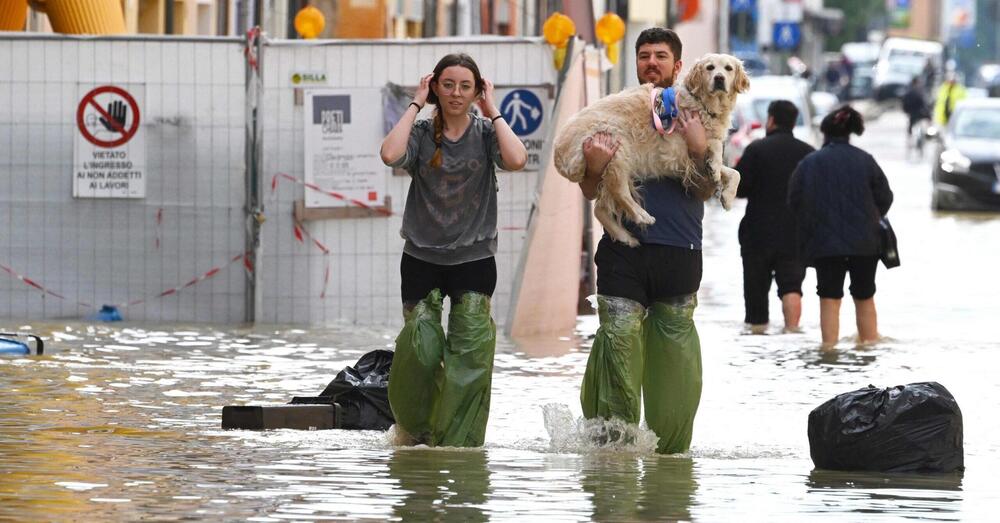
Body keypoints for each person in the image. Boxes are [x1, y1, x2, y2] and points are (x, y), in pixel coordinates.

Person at [576, 27, 716, 454]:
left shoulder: (700, 116)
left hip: (680, 254)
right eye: (643, 56)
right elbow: (587, 189)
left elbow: (707, 190)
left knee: (673, 366)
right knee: (617, 344)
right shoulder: (616, 113)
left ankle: (670, 464)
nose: (651, 63)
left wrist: (697, 149)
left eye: (660, 56)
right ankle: (613, 456)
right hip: (623, 253)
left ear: (678, 66)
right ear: (635, 64)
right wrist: (596, 166)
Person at [379, 53, 528, 447]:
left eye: (465, 86)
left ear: (476, 90)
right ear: (435, 88)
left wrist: (493, 108)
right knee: (420, 352)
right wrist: (415, 102)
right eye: (447, 85)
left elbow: (516, 159)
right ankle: (417, 433)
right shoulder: (423, 133)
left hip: (474, 260)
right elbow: (390, 154)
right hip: (421, 258)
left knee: (470, 357)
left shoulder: (484, 132)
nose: (456, 93)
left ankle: (458, 446)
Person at [788, 105, 893, 347]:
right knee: (864, 295)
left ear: (825, 133)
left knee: (829, 296)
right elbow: (885, 198)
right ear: (850, 133)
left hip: (824, 244)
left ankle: (829, 350)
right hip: (866, 243)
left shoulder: (809, 163)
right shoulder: (865, 160)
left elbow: (794, 201)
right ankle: (868, 346)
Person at [734, 100, 815, 334]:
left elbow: (739, 189)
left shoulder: (756, 150)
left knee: (756, 297)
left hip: (757, 234)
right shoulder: (808, 153)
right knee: (792, 288)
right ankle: (792, 332)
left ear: (770, 120)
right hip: (794, 234)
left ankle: (758, 335)